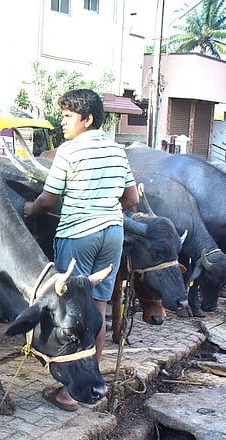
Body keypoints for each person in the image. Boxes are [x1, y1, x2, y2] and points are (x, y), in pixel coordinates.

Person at [24, 88, 138, 412]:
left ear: (86, 119)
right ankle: (91, 383)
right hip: (113, 235)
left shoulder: (69, 151)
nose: (63, 123)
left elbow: (48, 199)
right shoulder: (119, 151)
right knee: (97, 309)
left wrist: (31, 209)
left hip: (78, 237)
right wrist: (104, 209)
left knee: (69, 310)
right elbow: (132, 201)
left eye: (67, 116)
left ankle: (69, 392)